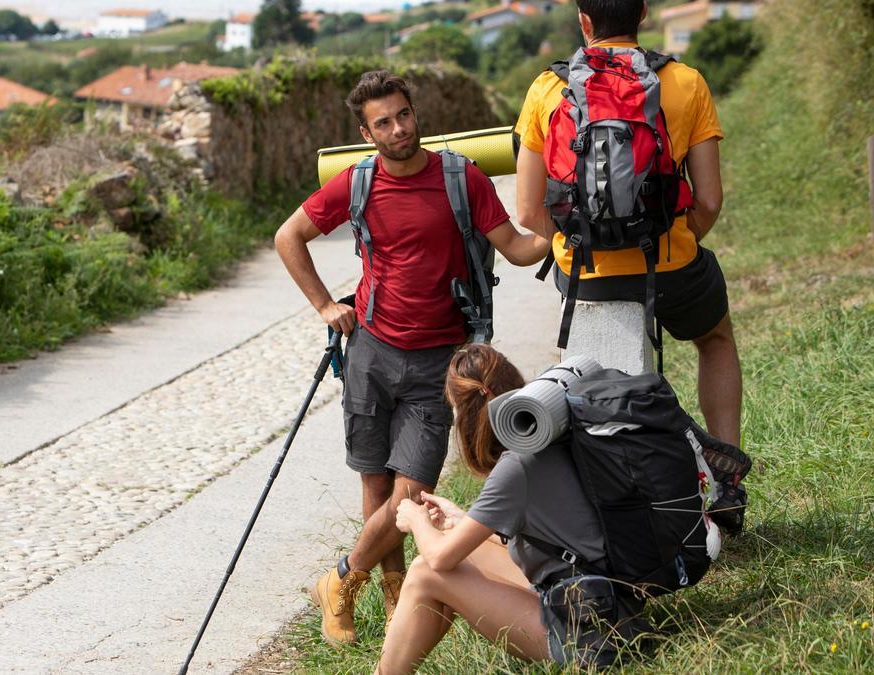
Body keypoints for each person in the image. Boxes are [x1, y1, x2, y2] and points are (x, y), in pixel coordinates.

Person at [274, 70, 550, 647]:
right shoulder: (357, 183)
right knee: (376, 482)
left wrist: (563, 230)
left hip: (437, 363)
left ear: (415, 112)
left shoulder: (461, 178)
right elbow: (288, 236)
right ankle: (395, 596)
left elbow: (518, 248)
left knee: (412, 493)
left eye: (404, 115)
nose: (398, 128)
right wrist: (325, 304)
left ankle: (341, 579)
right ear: (366, 132)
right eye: (384, 122)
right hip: (370, 350)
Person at [514, 0, 742, 449]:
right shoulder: (685, 82)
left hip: (586, 273)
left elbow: (526, 211)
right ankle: (727, 464)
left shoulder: (546, 88)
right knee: (715, 339)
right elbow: (710, 200)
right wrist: (675, 236)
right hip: (671, 266)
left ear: (584, 21)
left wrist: (578, 239)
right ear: (643, 14)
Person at [376, 344, 648, 673]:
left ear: (465, 412)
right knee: (457, 553)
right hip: (616, 609)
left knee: (425, 572)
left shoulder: (516, 467)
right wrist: (461, 521)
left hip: (585, 635)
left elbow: (438, 558)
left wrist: (416, 519)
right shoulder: (552, 435)